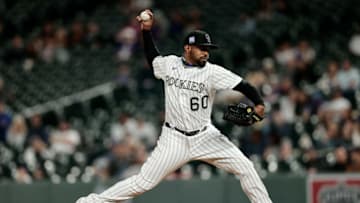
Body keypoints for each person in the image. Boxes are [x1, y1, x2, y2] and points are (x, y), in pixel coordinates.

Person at [76, 9, 272, 203]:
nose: (206, 52)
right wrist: (146, 31)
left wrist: (258, 103)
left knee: (246, 167)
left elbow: (242, 85)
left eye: (208, 49)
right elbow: (152, 57)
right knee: (143, 183)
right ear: (187, 48)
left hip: (205, 136)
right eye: (202, 48)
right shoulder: (170, 64)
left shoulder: (212, 72)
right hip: (174, 138)